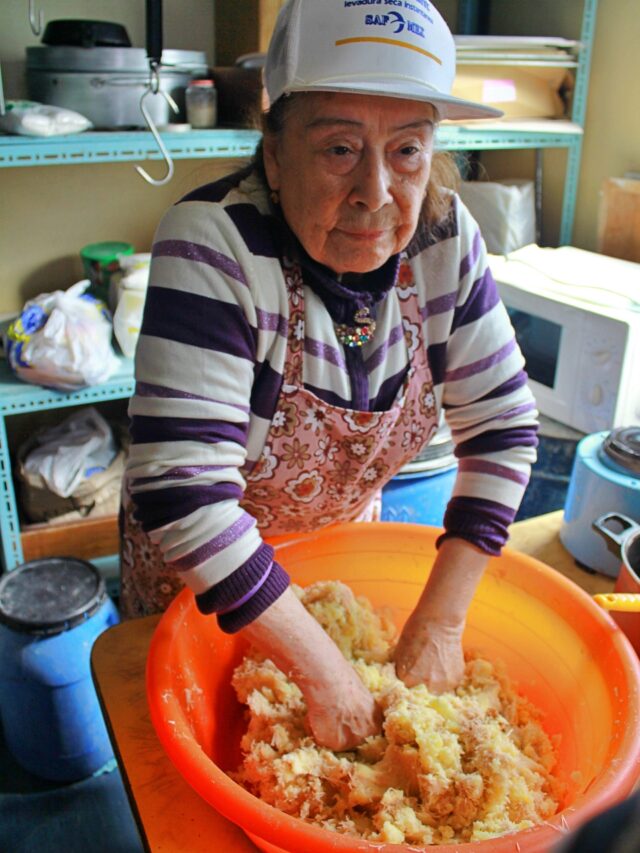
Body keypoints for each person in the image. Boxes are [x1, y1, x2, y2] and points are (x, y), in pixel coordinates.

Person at [121, 0, 538, 751]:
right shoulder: (213, 243)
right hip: (202, 587)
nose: (376, 192)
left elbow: (502, 428)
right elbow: (185, 491)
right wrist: (325, 675)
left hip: (343, 569)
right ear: (274, 153)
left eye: (407, 149)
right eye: (341, 148)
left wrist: (440, 624)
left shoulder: (444, 235)